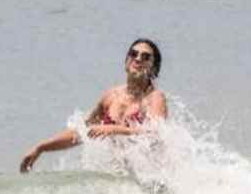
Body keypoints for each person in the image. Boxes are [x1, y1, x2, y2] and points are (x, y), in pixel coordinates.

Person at [19, 38, 167, 173]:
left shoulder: (154, 99)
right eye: (133, 54)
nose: (138, 59)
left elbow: (154, 135)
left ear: (153, 68)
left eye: (146, 57)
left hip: (148, 178)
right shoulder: (111, 96)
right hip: (119, 178)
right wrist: (41, 147)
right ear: (126, 61)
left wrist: (113, 129)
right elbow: (82, 131)